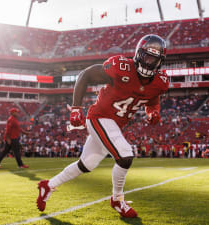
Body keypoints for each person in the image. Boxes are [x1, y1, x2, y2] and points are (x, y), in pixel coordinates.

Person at [36, 34, 169, 218]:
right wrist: (76, 108)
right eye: (147, 57)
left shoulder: (160, 81)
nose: (149, 63)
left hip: (114, 124)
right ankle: (117, 199)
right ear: (138, 54)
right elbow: (86, 75)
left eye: (154, 59)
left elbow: (152, 100)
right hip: (99, 117)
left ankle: (48, 185)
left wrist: (152, 112)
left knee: (87, 164)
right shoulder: (121, 67)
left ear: (160, 62)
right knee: (125, 155)